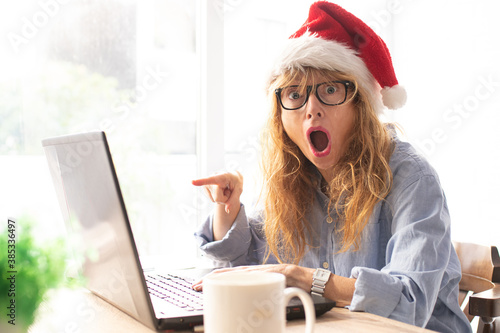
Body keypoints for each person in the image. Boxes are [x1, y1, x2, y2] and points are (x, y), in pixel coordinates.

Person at [191, 2, 472, 332]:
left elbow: (409, 304)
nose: (311, 110)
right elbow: (248, 271)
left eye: (330, 90)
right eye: (294, 94)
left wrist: (305, 278)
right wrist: (228, 207)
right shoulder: (292, 177)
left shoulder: (412, 179)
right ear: (279, 113)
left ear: (360, 105)